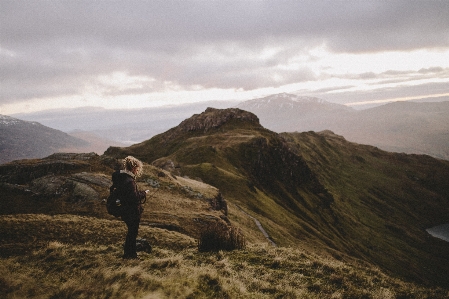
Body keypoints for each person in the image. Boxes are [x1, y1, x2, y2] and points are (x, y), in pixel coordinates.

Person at [111, 156, 148, 259]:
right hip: (131, 211)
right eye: (137, 169)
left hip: (125, 210)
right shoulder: (130, 181)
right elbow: (134, 197)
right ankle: (130, 255)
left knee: (131, 233)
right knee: (132, 233)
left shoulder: (122, 178)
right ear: (133, 168)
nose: (138, 171)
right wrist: (143, 193)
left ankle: (129, 254)